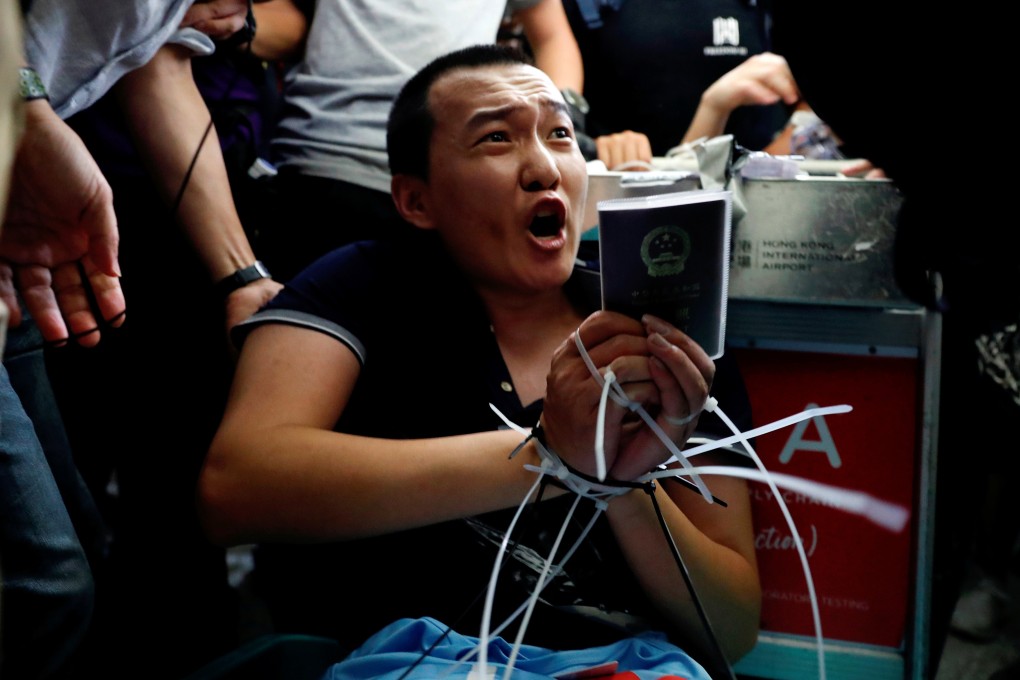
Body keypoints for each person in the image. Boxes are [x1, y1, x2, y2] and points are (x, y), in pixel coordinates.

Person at [197, 44, 760, 678]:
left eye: (561, 134)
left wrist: (617, 488)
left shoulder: (658, 333)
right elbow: (235, 488)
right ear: (416, 201)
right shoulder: (358, 286)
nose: (544, 166)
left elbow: (732, 628)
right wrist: (548, 458)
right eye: (496, 138)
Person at [18, 1, 283, 676]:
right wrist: (24, 112)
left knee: (82, 539)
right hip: (58, 193)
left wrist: (241, 276)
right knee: (43, 582)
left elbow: (157, 72)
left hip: (32, 229)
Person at [253, 0, 584, 283]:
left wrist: (560, 120)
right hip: (327, 163)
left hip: (464, 185)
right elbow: (285, 19)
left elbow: (552, 36)